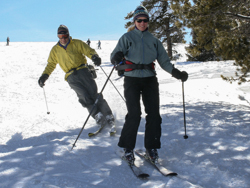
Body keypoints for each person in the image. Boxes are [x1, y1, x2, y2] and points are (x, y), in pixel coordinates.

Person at [110, 5, 188, 164]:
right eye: (139, 20)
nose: (142, 23)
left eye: (145, 20)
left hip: (149, 79)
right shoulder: (127, 37)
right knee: (134, 114)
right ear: (135, 21)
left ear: (148, 21)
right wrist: (116, 57)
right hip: (131, 79)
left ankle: (151, 148)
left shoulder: (154, 41)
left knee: (153, 114)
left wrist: (177, 73)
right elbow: (114, 55)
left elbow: (164, 62)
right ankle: (127, 148)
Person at [38, 24, 114, 127]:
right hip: (71, 77)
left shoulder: (76, 43)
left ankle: (108, 115)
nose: (63, 39)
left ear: (68, 35)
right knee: (84, 96)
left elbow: (88, 51)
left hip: (83, 71)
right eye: (60, 37)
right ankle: (97, 115)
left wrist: (94, 57)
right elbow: (51, 64)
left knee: (93, 94)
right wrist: (44, 76)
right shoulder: (55, 50)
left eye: (64, 36)